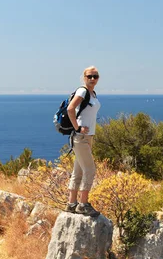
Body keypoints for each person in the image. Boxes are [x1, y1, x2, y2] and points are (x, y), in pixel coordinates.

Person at [65, 66, 101, 217]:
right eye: (89, 76)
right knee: (90, 169)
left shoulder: (92, 93)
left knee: (78, 170)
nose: (92, 79)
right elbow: (70, 109)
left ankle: (71, 203)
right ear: (84, 77)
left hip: (87, 137)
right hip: (81, 138)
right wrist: (78, 128)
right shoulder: (83, 91)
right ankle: (83, 204)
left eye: (95, 76)